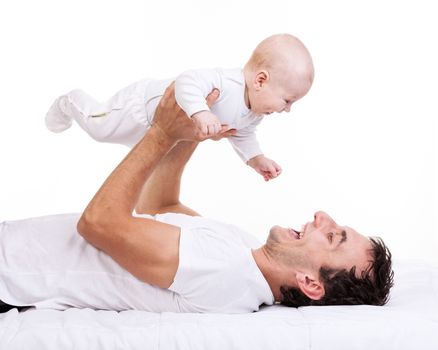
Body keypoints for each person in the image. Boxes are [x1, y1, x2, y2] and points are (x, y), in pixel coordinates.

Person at [0, 85, 393, 314]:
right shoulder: (244, 258)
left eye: (333, 237)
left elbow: (98, 224)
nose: (322, 216)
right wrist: (191, 135)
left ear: (310, 283)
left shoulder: (223, 269)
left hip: (7, 274)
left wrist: (162, 133)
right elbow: (162, 209)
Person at [45, 33, 314, 181]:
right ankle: (69, 101)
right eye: (287, 100)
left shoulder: (255, 112)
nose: (286, 110)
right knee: (99, 127)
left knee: (145, 167)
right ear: (261, 80)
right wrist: (202, 112)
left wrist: (256, 159)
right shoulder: (226, 82)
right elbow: (187, 81)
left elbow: (242, 135)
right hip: (140, 107)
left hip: (161, 132)